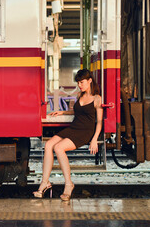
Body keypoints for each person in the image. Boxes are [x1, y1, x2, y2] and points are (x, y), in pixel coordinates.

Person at [33, 69, 103, 201]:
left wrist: (94, 139)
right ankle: (45, 183)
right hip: (73, 128)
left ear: (89, 81)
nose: (80, 85)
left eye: (82, 82)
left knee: (59, 148)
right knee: (48, 145)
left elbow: (99, 122)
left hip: (85, 132)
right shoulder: (79, 96)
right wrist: (62, 112)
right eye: (78, 83)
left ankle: (69, 184)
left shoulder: (97, 98)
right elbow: (77, 112)